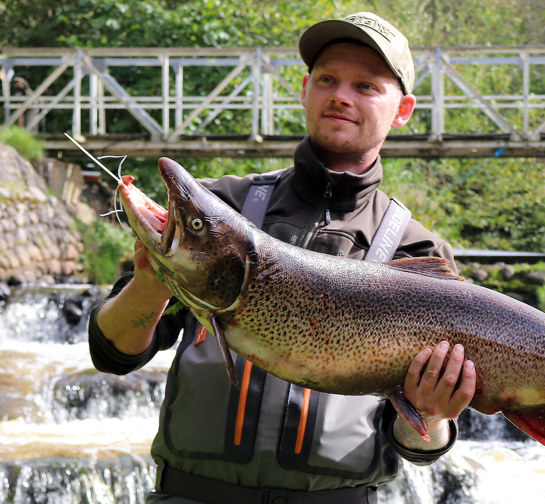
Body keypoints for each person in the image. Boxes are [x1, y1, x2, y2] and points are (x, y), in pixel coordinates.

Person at [88, 12, 477, 504]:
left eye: (366, 86)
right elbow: (112, 353)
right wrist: (149, 285)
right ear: (305, 90)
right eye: (327, 79)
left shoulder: (419, 254)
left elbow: (420, 450)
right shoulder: (217, 212)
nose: (341, 95)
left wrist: (433, 415)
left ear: (402, 110)